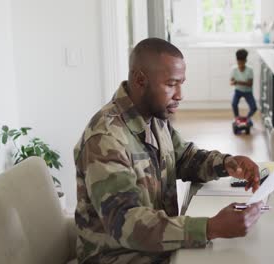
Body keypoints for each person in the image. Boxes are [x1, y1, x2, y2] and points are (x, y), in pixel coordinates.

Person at [74, 38, 264, 264]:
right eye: (171, 84)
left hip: (158, 248)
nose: (180, 94)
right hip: (119, 257)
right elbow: (125, 223)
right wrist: (209, 228)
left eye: (181, 83)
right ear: (139, 80)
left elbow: (184, 157)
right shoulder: (105, 139)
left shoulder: (153, 116)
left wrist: (227, 163)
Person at [230, 49, 257, 125]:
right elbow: (231, 81)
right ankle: (237, 118)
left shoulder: (250, 70)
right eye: (239, 63)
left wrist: (237, 82)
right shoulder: (234, 69)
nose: (240, 65)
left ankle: (247, 118)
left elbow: (250, 84)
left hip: (248, 92)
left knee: (254, 107)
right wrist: (233, 82)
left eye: (242, 63)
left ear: (245, 61)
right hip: (238, 91)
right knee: (234, 104)